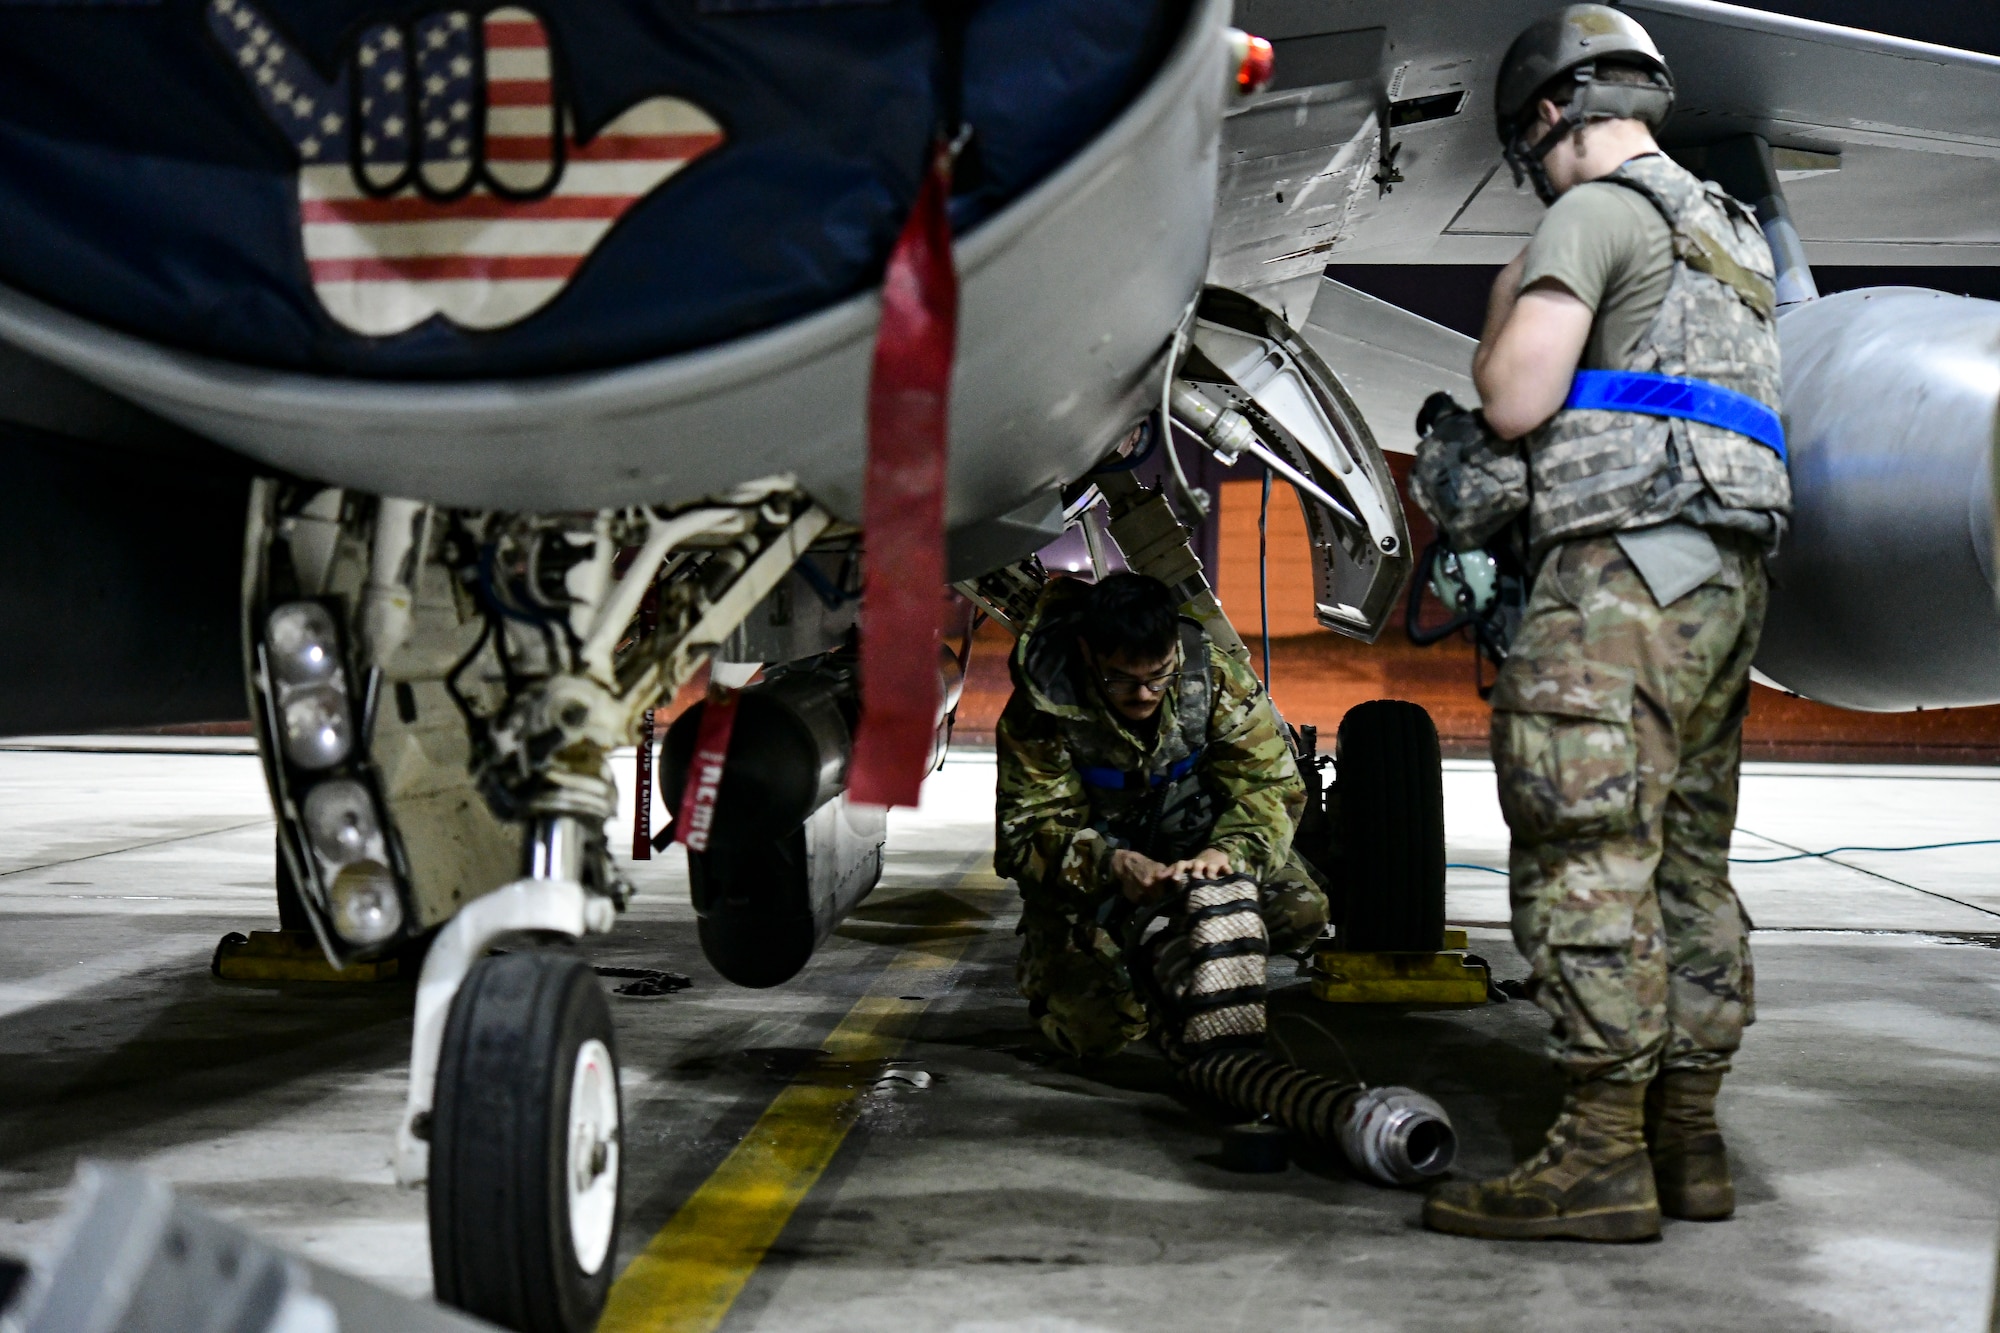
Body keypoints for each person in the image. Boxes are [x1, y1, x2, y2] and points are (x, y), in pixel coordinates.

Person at [1416, 5, 1791, 1242]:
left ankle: (1593, 1159)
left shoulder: (1592, 210)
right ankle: (1686, 1143)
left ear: (1543, 119)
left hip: (1617, 587)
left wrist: (1507, 297)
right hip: (1720, 588)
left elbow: (1517, 396)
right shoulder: (1726, 232)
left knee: (1585, 853)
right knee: (1686, 863)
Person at [993, 571, 1327, 1059]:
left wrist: (1227, 853)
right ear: (1088, 652)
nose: (1146, 694)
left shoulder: (1213, 678)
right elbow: (1026, 835)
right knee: (1095, 1033)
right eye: (1123, 679)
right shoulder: (1040, 710)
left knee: (1301, 908)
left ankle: (1173, 955)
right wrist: (1111, 865)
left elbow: (1270, 786)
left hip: (1196, 849)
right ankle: (1139, 966)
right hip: (1097, 879)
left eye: (1159, 676)